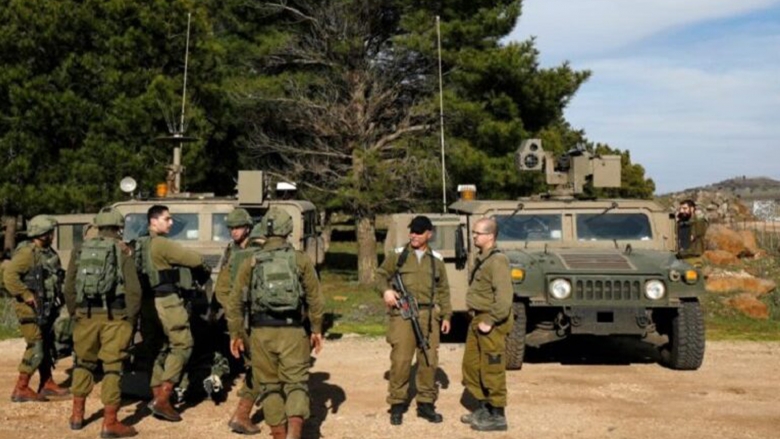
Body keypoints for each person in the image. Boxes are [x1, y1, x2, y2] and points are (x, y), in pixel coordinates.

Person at [226, 208, 324, 439]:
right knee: (296, 384)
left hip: (261, 333)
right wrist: (317, 329)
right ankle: (295, 433)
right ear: (288, 229)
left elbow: (234, 302)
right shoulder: (300, 259)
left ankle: (279, 434)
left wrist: (236, 334)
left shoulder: (251, 261)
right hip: (293, 332)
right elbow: (316, 298)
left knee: (270, 386)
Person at [63, 208, 140, 437]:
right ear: (119, 227)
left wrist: (75, 312)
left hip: (85, 316)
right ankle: (110, 422)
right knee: (112, 368)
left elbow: (69, 286)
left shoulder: (80, 249)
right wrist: (131, 320)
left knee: (83, 363)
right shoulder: (122, 250)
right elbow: (134, 290)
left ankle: (77, 416)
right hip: (115, 317)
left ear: (98, 225)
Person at [375, 215, 451, 425]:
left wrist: (446, 315)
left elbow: (444, 290)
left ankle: (426, 403)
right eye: (412, 231)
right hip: (403, 312)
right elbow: (380, 275)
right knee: (401, 360)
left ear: (429, 234)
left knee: (428, 359)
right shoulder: (398, 255)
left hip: (428, 314)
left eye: (419, 232)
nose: (414, 235)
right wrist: (386, 291)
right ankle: (397, 403)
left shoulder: (436, 260)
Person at [137, 205, 210, 422]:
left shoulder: (139, 243)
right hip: (166, 300)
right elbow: (195, 259)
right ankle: (163, 398)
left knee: (156, 348)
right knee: (182, 344)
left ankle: (157, 397)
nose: (170, 223)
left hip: (147, 303)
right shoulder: (161, 244)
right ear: (153, 221)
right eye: (167, 219)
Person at [4, 215, 70, 402]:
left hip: (46, 306)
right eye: (50, 232)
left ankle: (46, 383)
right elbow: (9, 276)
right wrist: (25, 294)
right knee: (36, 346)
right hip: (29, 309)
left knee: (47, 345)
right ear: (42, 233)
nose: (53, 235)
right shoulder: (27, 254)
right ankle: (21, 388)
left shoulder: (48, 253)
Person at [460, 217, 513, 432]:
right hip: (478, 319)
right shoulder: (483, 259)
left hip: (491, 321)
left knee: (492, 367)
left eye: (478, 233)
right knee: (472, 366)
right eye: (473, 232)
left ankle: (498, 415)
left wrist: (490, 320)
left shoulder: (498, 261)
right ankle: (484, 407)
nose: (474, 236)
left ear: (490, 236)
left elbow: (504, 298)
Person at [214, 209, 263, 435]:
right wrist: (233, 310)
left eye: (238, 227)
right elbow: (222, 288)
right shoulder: (231, 251)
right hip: (243, 317)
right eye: (231, 228)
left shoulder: (259, 248)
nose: (234, 232)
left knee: (259, 363)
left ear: (248, 228)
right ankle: (242, 414)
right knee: (259, 364)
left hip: (259, 313)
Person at [676, 199, 708, 265]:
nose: (682, 211)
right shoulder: (682, 221)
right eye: (680, 209)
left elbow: (696, 233)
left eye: (685, 208)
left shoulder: (699, 220)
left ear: (692, 209)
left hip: (694, 256)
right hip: (682, 256)